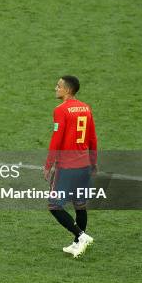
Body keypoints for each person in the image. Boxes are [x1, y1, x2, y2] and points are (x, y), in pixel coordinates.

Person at [44, 75, 97, 258]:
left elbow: (56, 140)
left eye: (58, 86)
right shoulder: (86, 108)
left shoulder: (61, 110)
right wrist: (94, 161)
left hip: (67, 166)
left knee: (54, 206)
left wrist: (48, 164)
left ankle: (80, 236)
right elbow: (92, 138)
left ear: (67, 90)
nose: (55, 88)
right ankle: (77, 245)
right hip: (84, 165)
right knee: (79, 205)